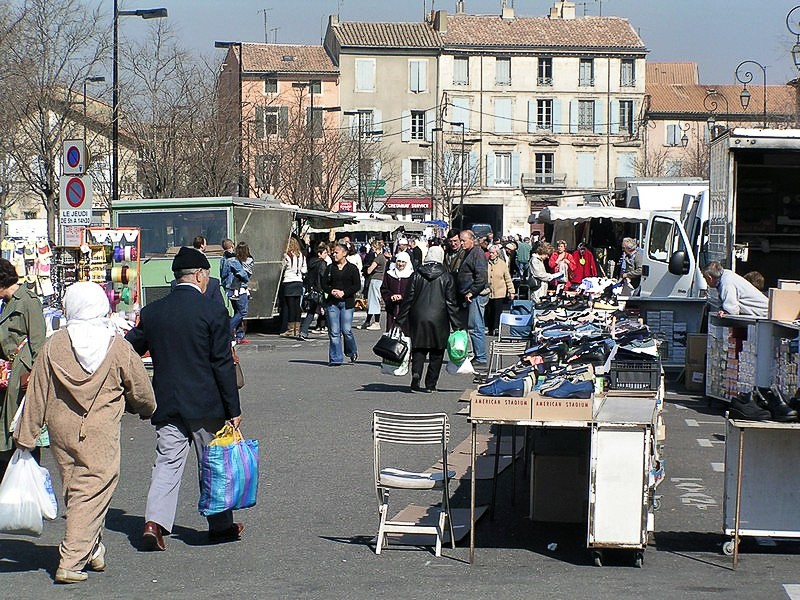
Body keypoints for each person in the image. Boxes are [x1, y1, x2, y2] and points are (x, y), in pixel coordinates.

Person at [14, 282, 155, 584]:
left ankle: (93, 548)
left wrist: (26, 435)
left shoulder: (54, 344)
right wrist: (146, 408)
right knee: (93, 490)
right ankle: (71, 560)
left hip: (61, 430)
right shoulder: (116, 344)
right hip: (100, 430)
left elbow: (38, 392)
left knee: (77, 489)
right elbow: (140, 388)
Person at [125, 247, 243, 551]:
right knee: (212, 463)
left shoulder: (153, 312)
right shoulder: (213, 312)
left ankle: (154, 523)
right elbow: (222, 364)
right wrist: (233, 408)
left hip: (167, 401)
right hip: (206, 403)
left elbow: (130, 349)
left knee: (167, 462)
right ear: (201, 275)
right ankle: (220, 526)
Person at [0, 258, 46, 481]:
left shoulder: (28, 300)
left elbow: (38, 343)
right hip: (8, 374)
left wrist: (35, 380)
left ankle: (26, 486)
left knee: (22, 432)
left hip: (22, 375)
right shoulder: (7, 303)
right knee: (9, 432)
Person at [395, 246, 461, 393]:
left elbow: (408, 299)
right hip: (439, 317)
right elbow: (451, 303)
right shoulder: (447, 276)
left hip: (418, 316)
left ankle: (416, 374)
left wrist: (399, 320)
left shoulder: (416, 274)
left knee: (419, 348)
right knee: (437, 352)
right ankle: (431, 384)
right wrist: (457, 325)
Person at [322, 243, 361, 366]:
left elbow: (357, 286)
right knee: (334, 332)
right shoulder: (330, 268)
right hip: (332, 303)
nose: (334, 254)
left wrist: (344, 292)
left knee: (346, 330)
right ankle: (335, 359)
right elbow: (323, 284)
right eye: (333, 252)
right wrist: (331, 291)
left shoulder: (352, 268)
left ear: (344, 253)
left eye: (336, 252)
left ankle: (351, 351)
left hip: (347, 302)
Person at [457, 230, 489, 367]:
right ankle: (477, 354)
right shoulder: (468, 252)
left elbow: (481, 277)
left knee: (476, 326)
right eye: (461, 240)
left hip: (476, 295)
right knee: (471, 325)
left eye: (463, 240)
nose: (461, 243)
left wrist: (472, 291)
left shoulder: (477, 253)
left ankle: (481, 357)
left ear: (472, 239)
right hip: (469, 294)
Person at [702, 261, 768, 318]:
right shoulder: (726, 275)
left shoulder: (726, 283)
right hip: (764, 312)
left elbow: (732, 309)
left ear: (709, 278)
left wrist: (725, 311)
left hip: (764, 314)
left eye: (705, 278)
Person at [299, 243, 329, 341]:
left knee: (311, 312)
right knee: (328, 311)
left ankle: (303, 331)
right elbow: (323, 277)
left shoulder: (311, 263)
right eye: (324, 253)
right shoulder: (322, 263)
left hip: (312, 290)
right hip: (320, 290)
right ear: (319, 254)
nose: (326, 255)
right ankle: (335, 330)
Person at [380, 250, 414, 335]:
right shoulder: (389, 274)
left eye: (403, 262)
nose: (400, 264)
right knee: (391, 336)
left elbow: (413, 292)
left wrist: (402, 296)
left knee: (406, 335)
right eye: (399, 261)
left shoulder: (411, 275)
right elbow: (384, 289)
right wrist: (390, 297)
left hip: (406, 311)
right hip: (392, 309)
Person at [486, 244, 516, 335]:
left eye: (493, 253)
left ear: (497, 254)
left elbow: (508, 278)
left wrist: (511, 291)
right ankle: (489, 328)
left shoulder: (502, 264)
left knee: (497, 311)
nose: (491, 254)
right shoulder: (485, 263)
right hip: (488, 292)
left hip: (499, 291)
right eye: (490, 253)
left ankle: (496, 328)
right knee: (488, 311)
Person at [280, 237, 306, 338]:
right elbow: (304, 270)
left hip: (289, 281)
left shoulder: (287, 256)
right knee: (296, 307)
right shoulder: (301, 256)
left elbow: (283, 267)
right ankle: (297, 329)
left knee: (290, 307)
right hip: (298, 281)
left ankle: (290, 329)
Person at [361, 239, 386, 331]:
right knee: (373, 300)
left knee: (374, 300)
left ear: (375, 247)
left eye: (372, 247)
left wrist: (367, 268)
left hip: (376, 279)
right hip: (379, 279)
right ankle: (368, 322)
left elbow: (369, 270)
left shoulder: (378, 258)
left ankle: (376, 322)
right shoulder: (382, 257)